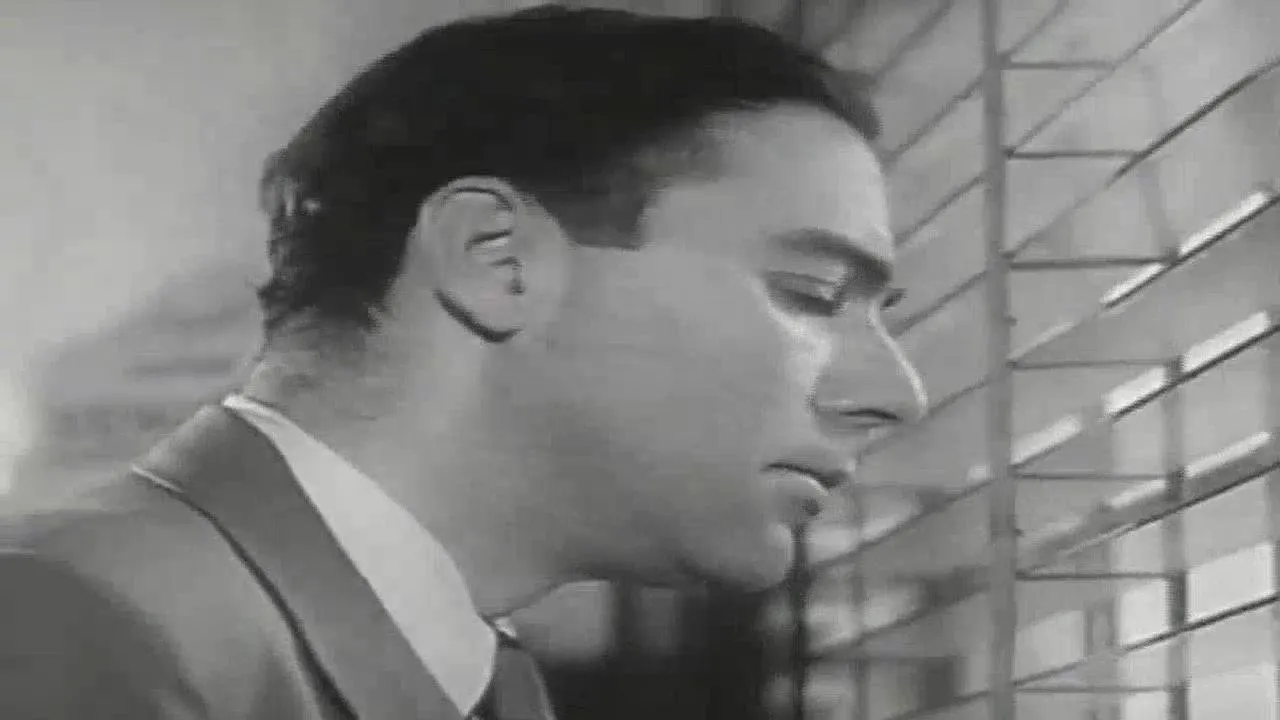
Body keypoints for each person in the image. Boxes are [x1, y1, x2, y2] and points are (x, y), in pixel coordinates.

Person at [0, 6, 926, 720]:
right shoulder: (77, 624)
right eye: (810, 293)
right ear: (496, 259)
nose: (900, 394)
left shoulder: (481, 677)